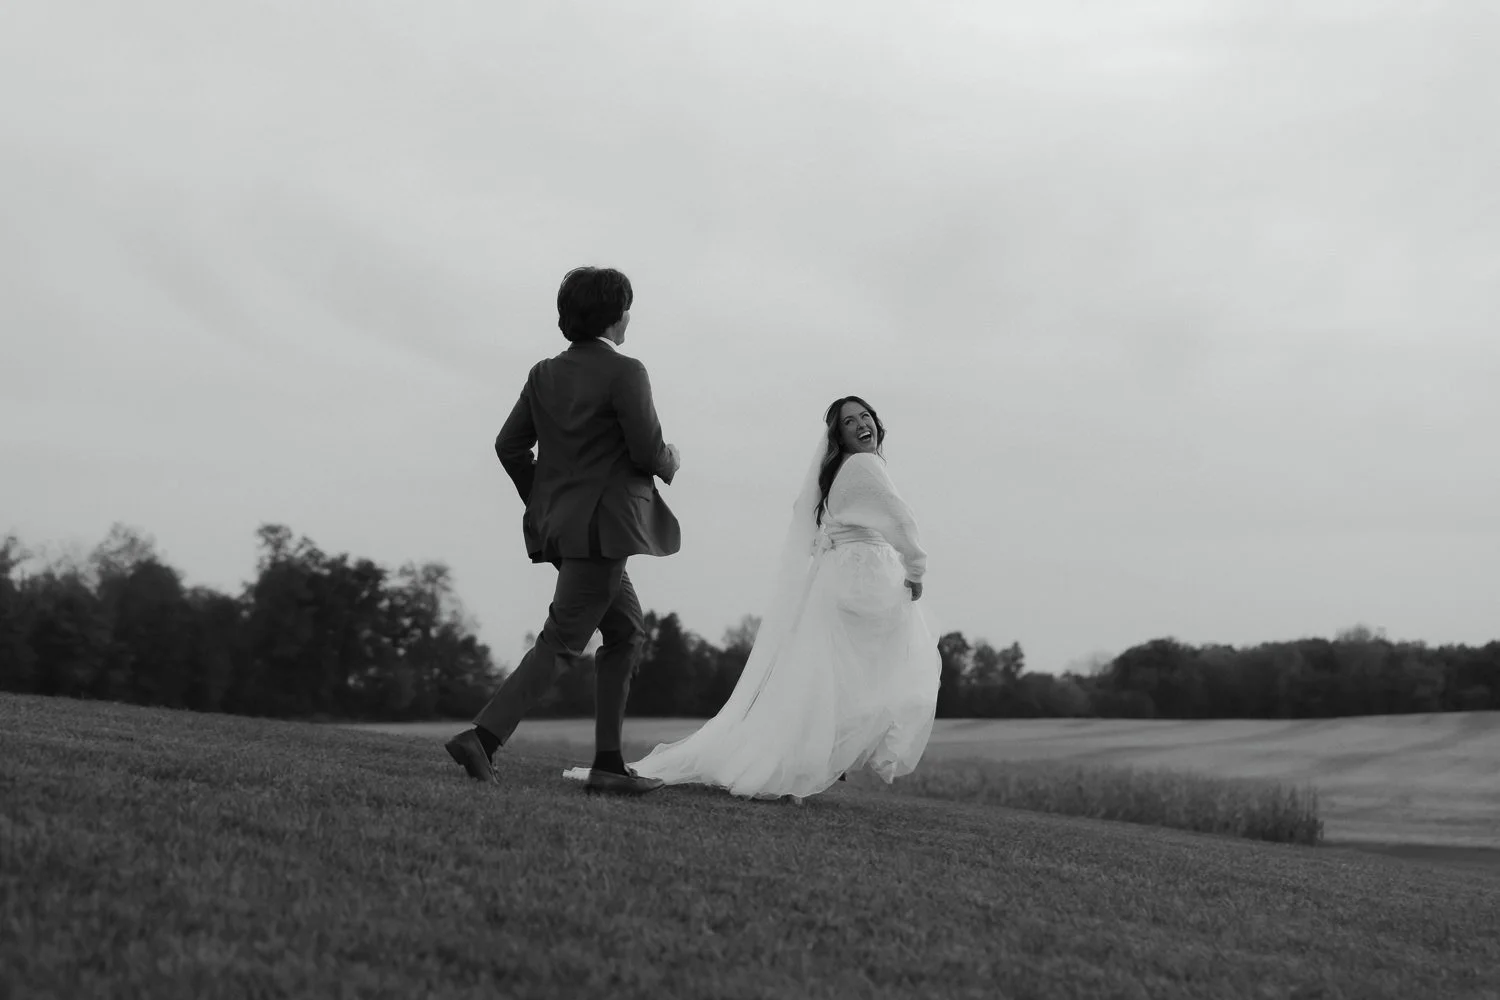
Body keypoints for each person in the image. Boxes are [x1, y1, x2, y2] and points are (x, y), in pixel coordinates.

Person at [565, 395, 940, 801]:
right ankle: (801, 768)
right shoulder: (865, 465)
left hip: (836, 579)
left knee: (823, 683)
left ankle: (798, 769)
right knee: (887, 675)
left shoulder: (838, 473)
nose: (862, 424)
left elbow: (808, 511)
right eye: (850, 422)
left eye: (865, 416)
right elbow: (900, 517)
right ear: (840, 437)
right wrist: (915, 567)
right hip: (861, 581)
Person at [446, 266, 682, 795]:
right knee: (562, 640)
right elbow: (647, 451)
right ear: (615, 313)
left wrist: (546, 499)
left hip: (563, 529)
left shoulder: (543, 373)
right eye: (627, 307)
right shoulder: (627, 371)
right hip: (604, 532)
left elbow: (510, 447)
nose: (629, 317)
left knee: (625, 632)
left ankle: (608, 763)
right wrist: (672, 461)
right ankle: (482, 738)